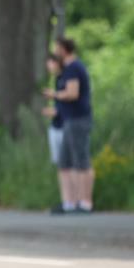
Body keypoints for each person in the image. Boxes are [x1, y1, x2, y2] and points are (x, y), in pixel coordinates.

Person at [43, 37, 94, 215]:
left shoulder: (73, 68)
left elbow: (72, 94)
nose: (55, 51)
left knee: (81, 160)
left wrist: (54, 94)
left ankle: (85, 202)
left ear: (64, 49)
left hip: (78, 119)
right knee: (65, 162)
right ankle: (69, 203)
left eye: (57, 48)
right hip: (68, 121)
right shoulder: (66, 71)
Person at [41, 52, 64, 166]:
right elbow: (60, 103)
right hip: (55, 126)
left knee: (66, 163)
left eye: (49, 64)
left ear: (56, 63)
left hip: (64, 128)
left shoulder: (66, 79)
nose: (48, 67)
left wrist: (55, 112)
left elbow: (69, 102)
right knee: (58, 163)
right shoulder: (57, 79)